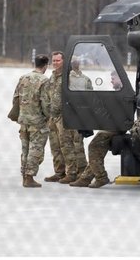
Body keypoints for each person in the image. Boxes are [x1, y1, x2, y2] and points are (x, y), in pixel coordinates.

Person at [42, 51, 88, 185]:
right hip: (53, 117)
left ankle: (72, 173)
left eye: (58, 60)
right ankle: (59, 172)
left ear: (64, 61)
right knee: (55, 146)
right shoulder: (53, 77)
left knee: (67, 146)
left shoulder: (69, 76)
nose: (55, 63)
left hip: (65, 116)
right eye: (54, 61)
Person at [13, 54, 51, 188]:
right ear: (46, 65)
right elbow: (45, 103)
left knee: (25, 149)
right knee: (36, 149)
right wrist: (48, 116)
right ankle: (29, 177)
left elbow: (16, 98)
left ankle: (24, 175)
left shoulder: (23, 78)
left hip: (24, 119)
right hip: (38, 121)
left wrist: (19, 114)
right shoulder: (45, 80)